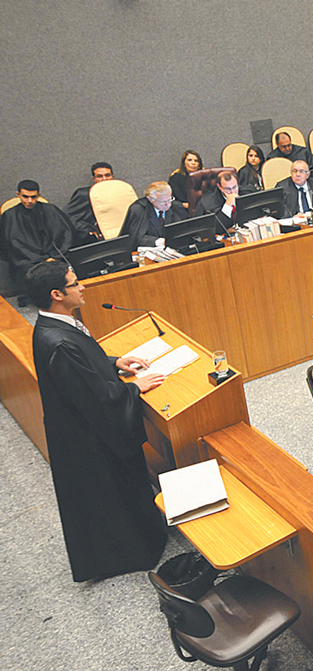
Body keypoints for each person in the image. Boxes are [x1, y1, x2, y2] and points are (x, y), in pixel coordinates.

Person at [26, 260, 168, 582]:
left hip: (81, 426)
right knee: (110, 493)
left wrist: (115, 362)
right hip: (86, 437)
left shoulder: (56, 325)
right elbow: (97, 398)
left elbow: (85, 367)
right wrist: (134, 389)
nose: (83, 286)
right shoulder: (58, 341)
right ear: (56, 294)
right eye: (75, 283)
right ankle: (133, 552)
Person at [0, 180, 74, 290]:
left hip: (55, 257)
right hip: (28, 260)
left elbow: (66, 235)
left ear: (39, 195)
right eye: (25, 197)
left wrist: (54, 257)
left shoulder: (51, 210)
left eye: (33, 197)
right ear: (18, 195)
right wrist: (41, 260)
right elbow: (13, 245)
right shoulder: (10, 216)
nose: (29, 201)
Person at [117, 181, 189, 249]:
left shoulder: (176, 207)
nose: (168, 205)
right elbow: (135, 238)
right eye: (163, 202)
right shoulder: (139, 210)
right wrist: (159, 241)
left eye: (169, 200)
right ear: (151, 199)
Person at [64, 161, 115, 246]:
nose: (104, 179)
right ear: (94, 179)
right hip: (94, 241)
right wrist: (88, 230)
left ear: (112, 176)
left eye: (107, 175)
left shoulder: (121, 192)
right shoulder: (85, 194)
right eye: (99, 176)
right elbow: (67, 216)